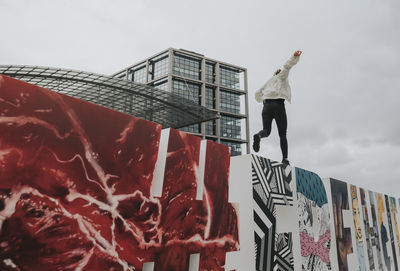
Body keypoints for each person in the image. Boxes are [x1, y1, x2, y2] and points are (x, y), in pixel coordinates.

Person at [253, 50, 302, 165]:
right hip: (278, 105)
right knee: (282, 134)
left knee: (266, 131)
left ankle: (259, 135)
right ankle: (285, 159)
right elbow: (287, 66)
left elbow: (257, 93)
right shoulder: (282, 77)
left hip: (266, 106)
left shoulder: (269, 81)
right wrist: (294, 57)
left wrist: (264, 100)